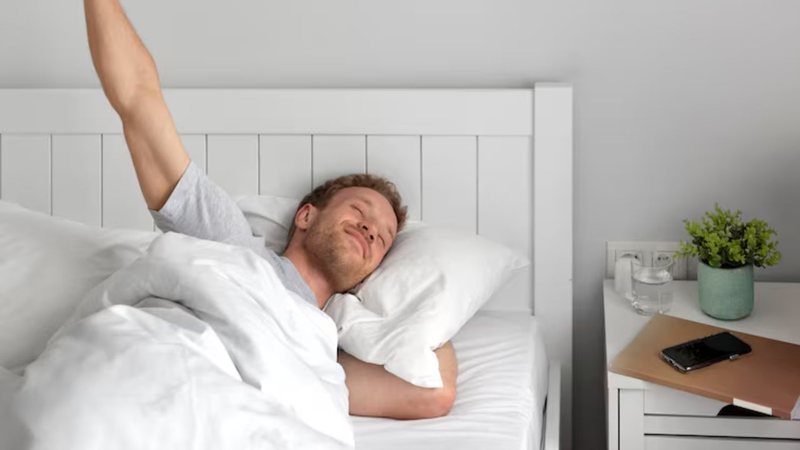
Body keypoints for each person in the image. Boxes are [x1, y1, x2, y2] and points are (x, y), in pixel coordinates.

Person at [84, 0, 456, 420]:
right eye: (360, 211)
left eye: (383, 238)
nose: (372, 229)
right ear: (306, 216)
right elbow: (138, 101)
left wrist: (423, 309)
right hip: (143, 373)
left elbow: (434, 393)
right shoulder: (233, 246)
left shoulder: (323, 354)